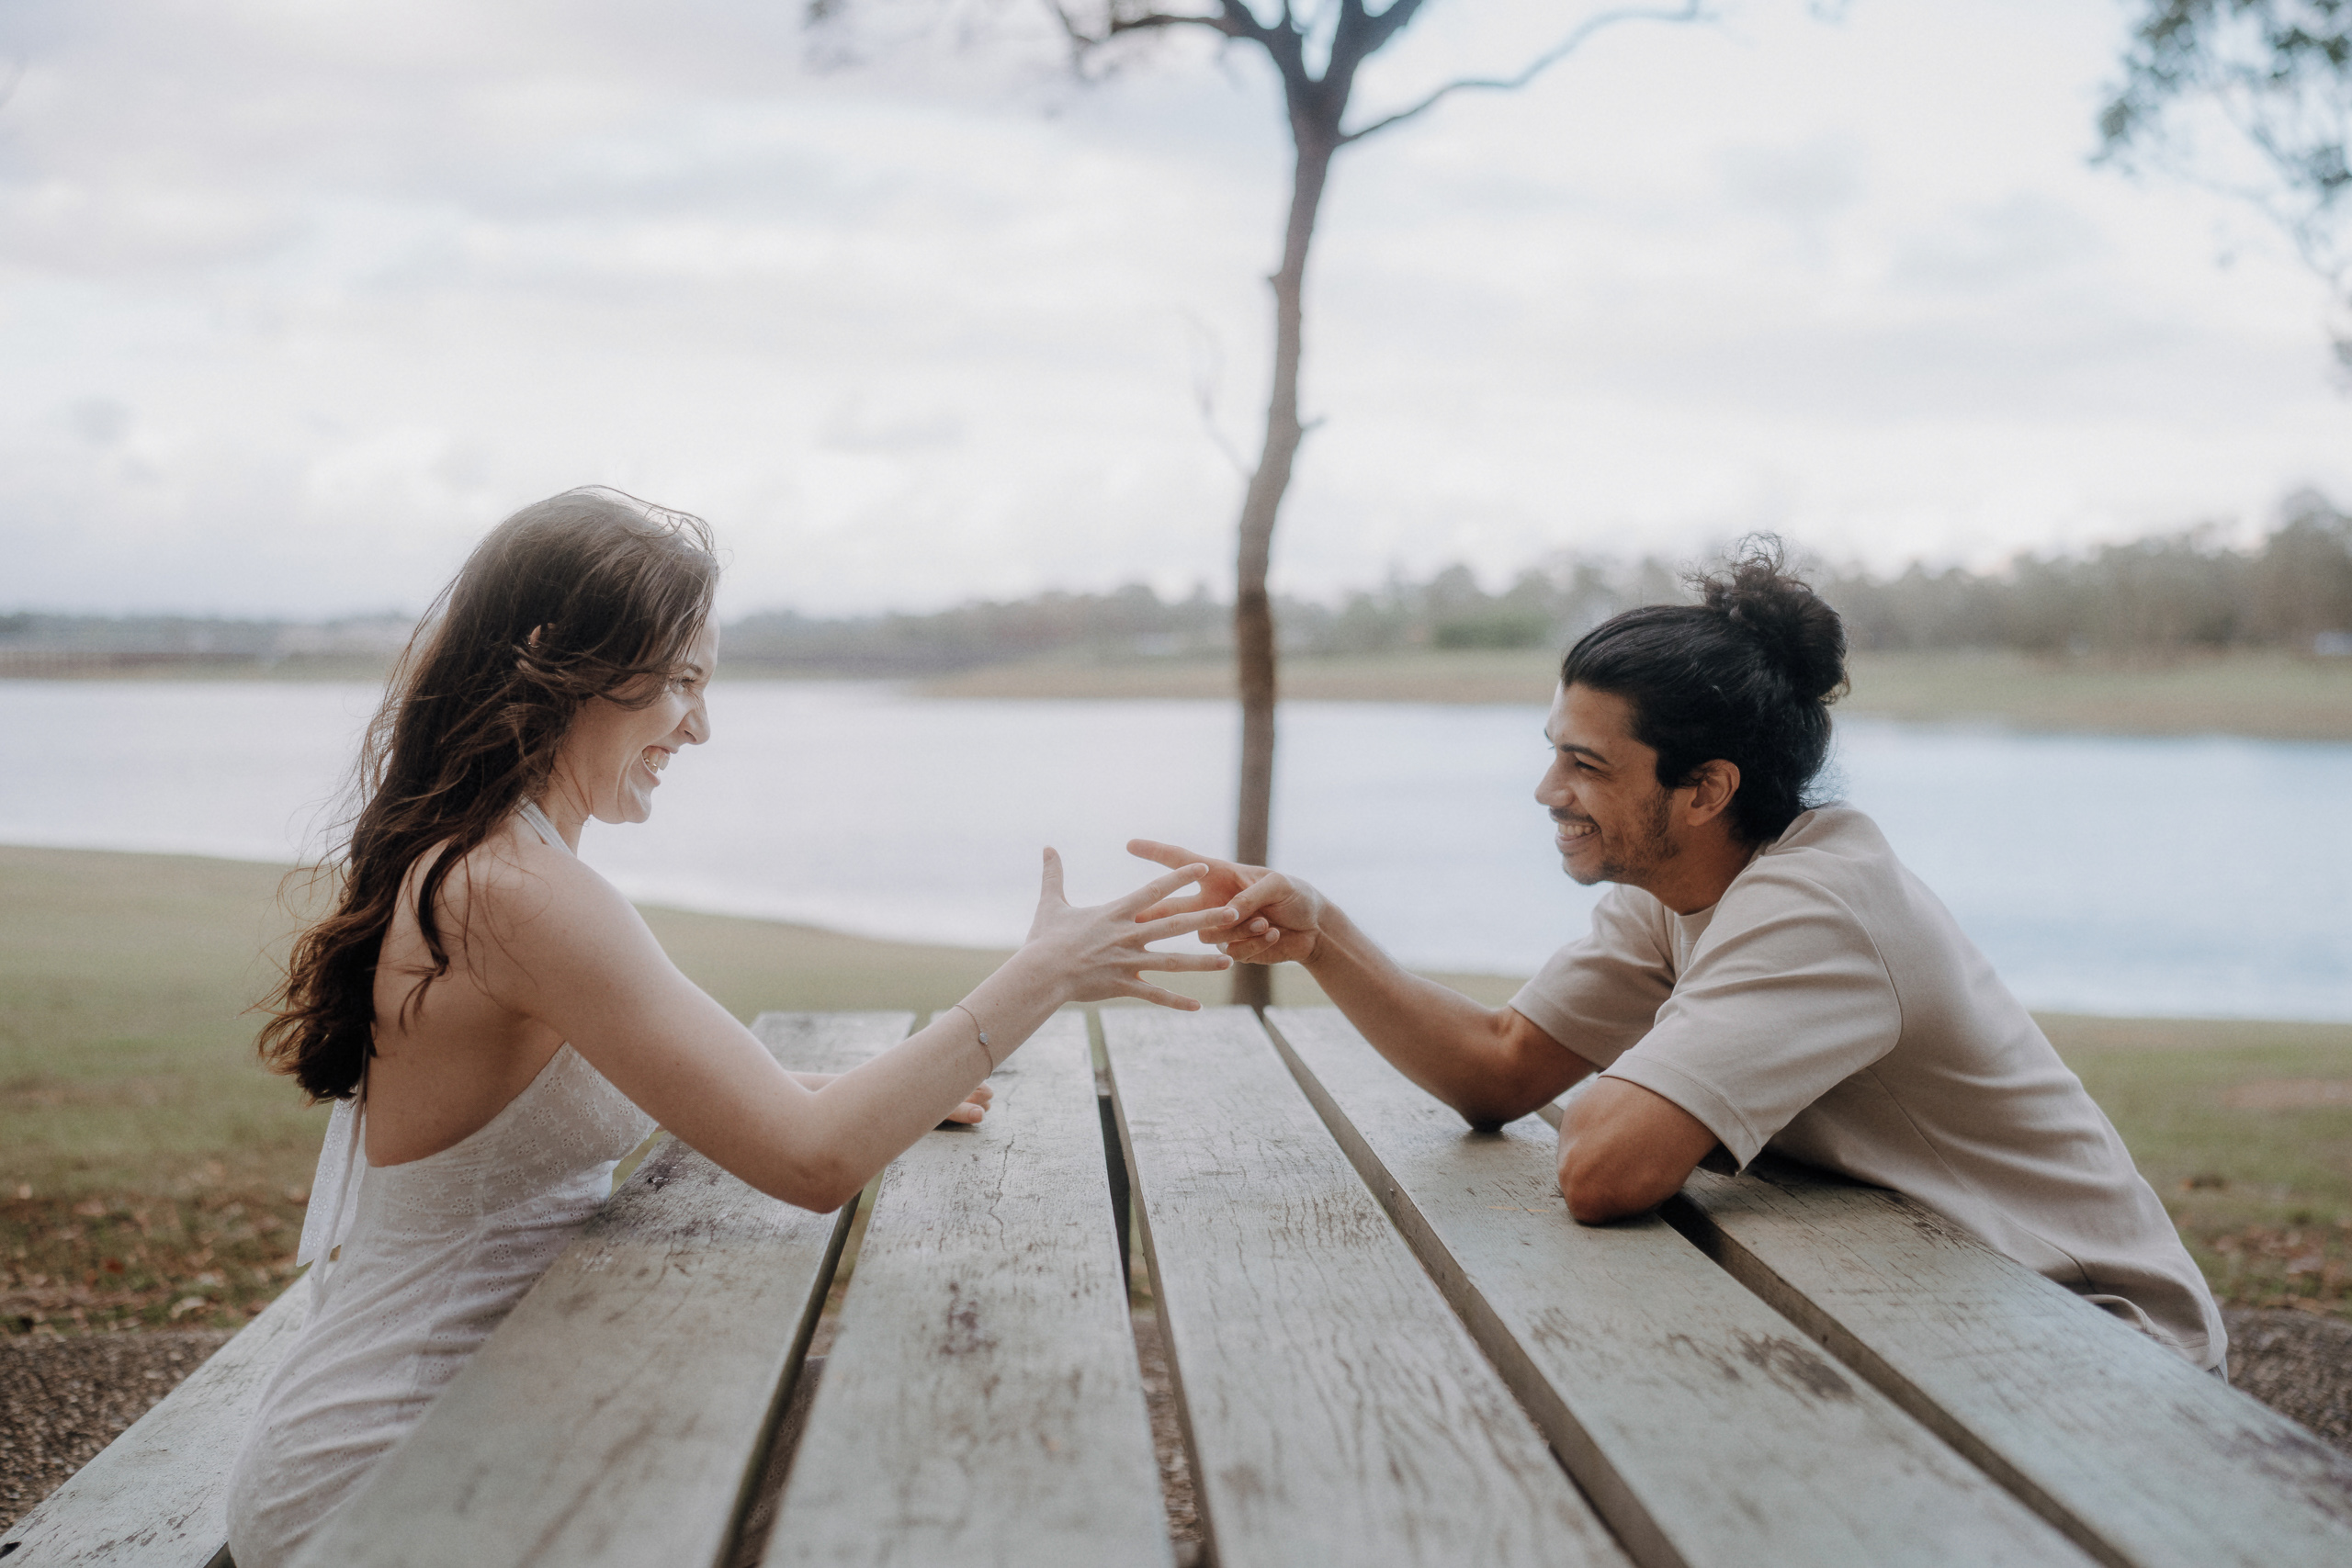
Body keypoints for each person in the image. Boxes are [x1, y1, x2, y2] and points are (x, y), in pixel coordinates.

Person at [223, 488, 1237, 1568]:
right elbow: (811, 1165)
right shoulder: (513, 891)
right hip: (387, 1475)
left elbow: (733, 1097)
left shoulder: (500, 863)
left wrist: (883, 1083)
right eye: (683, 682)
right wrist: (1039, 977)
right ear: (556, 663)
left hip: (480, 1416)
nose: (699, 726)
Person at [1133, 540, 2225, 1372]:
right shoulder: (1679, 888)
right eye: (1551, 752)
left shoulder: (1818, 907)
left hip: (2094, 1337)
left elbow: (1604, 1169)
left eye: (1584, 764)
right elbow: (1500, 1067)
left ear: (1704, 791)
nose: (1548, 791)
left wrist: (1665, 1079)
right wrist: (1321, 933)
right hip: (1926, 1291)